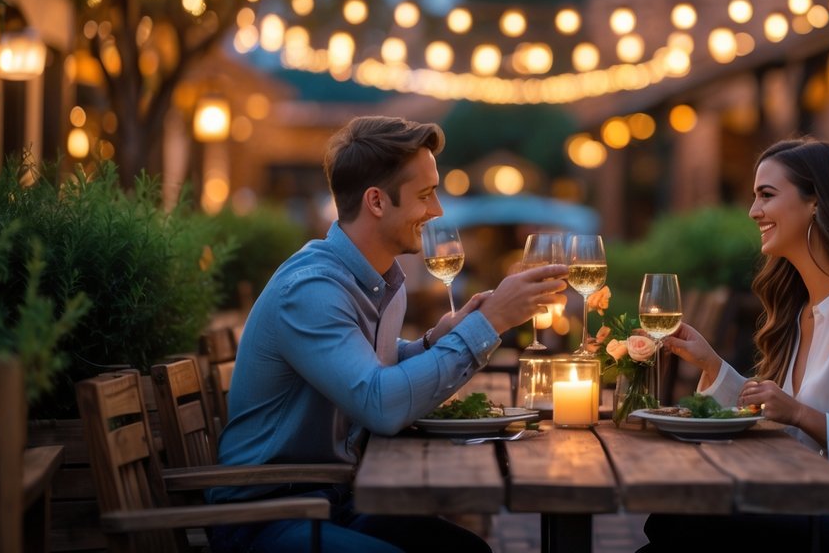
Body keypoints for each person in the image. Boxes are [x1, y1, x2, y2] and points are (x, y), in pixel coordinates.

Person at [207, 116, 567, 553]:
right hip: (266, 516)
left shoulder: (377, 282)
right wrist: (489, 325)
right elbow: (379, 403)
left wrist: (433, 342)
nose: (437, 211)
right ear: (376, 201)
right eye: (425, 195)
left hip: (332, 499)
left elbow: (365, 365)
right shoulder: (310, 290)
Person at [639, 138, 829, 553]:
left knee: (691, 521)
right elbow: (781, 422)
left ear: (816, 202)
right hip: (813, 506)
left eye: (767, 195)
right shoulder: (803, 307)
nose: (753, 211)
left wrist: (801, 413)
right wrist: (712, 366)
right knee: (676, 515)